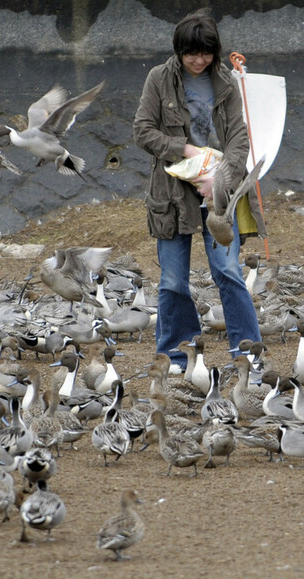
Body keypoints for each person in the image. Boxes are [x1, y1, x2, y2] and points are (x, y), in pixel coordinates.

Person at [133, 9, 266, 371]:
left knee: (229, 272)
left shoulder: (226, 81)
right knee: (173, 280)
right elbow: (143, 131)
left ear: (215, 52)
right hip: (172, 195)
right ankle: (178, 353)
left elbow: (240, 138)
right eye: (190, 53)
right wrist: (186, 150)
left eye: (205, 53)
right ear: (178, 51)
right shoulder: (158, 79)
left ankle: (247, 353)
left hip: (219, 193)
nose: (198, 60)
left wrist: (219, 178)